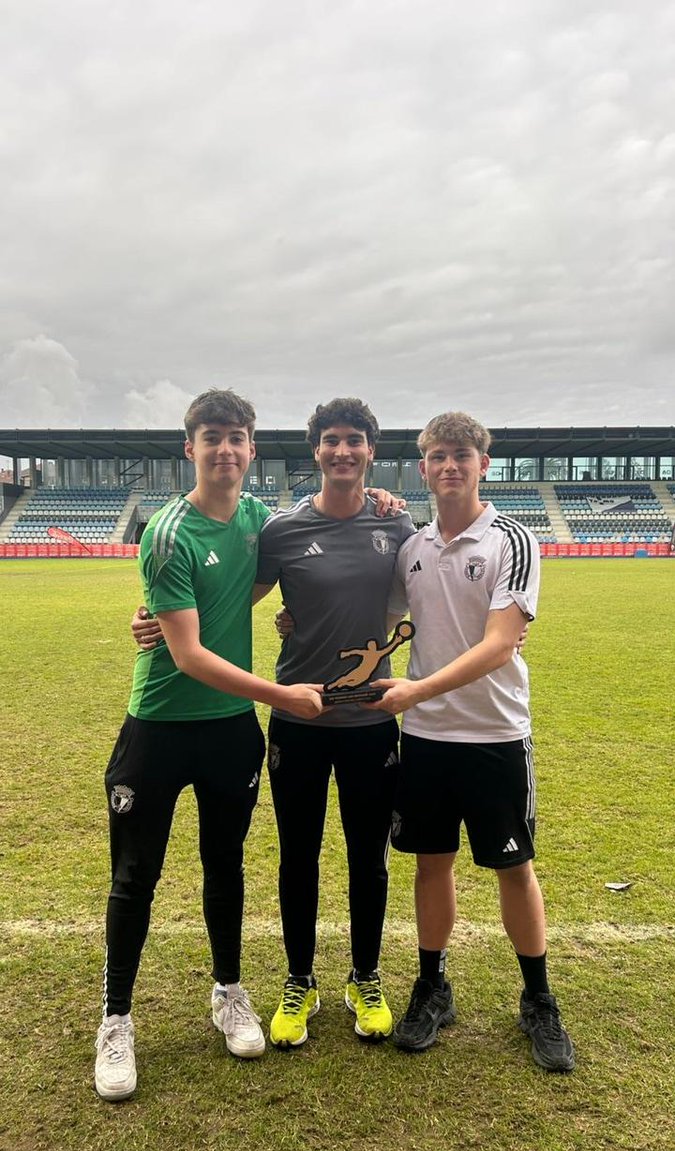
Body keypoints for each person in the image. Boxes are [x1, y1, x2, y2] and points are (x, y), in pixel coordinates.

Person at [94, 388, 322, 1102]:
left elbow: (306, 536)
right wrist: (280, 694)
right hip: (158, 727)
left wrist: (377, 499)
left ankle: (228, 992)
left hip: (228, 734)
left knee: (224, 865)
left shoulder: (261, 520)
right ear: (188, 448)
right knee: (136, 877)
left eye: (238, 437)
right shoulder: (167, 532)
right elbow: (189, 656)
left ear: (252, 450)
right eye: (212, 436)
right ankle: (116, 1019)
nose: (226, 448)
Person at [370, 411, 575, 1072]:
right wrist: (296, 618)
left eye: (461, 454)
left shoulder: (511, 540)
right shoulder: (412, 547)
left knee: (513, 867)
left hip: (493, 733)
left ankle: (537, 999)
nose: (449, 466)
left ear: (482, 463)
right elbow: (381, 619)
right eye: (436, 455)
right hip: (427, 741)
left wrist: (415, 691)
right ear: (422, 467)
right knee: (431, 863)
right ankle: (433, 986)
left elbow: (496, 646)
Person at [254, 398, 416, 1048]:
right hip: (296, 719)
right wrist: (150, 617)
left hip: (370, 721)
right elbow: (234, 598)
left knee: (366, 859)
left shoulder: (396, 523)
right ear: (315, 451)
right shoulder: (281, 531)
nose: (342, 451)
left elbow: (431, 594)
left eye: (354, 441)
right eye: (331, 441)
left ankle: (364, 977)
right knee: (297, 856)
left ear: (370, 452)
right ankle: (300, 981)